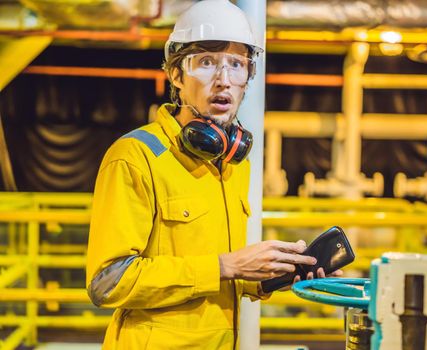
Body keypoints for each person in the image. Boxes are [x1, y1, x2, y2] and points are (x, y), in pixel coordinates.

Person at [86, 0, 339, 349]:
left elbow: (229, 273)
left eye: (237, 65)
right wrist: (224, 266)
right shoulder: (135, 156)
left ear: (248, 77)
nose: (223, 81)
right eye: (205, 63)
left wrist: (277, 274)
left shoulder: (234, 163)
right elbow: (107, 282)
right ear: (176, 75)